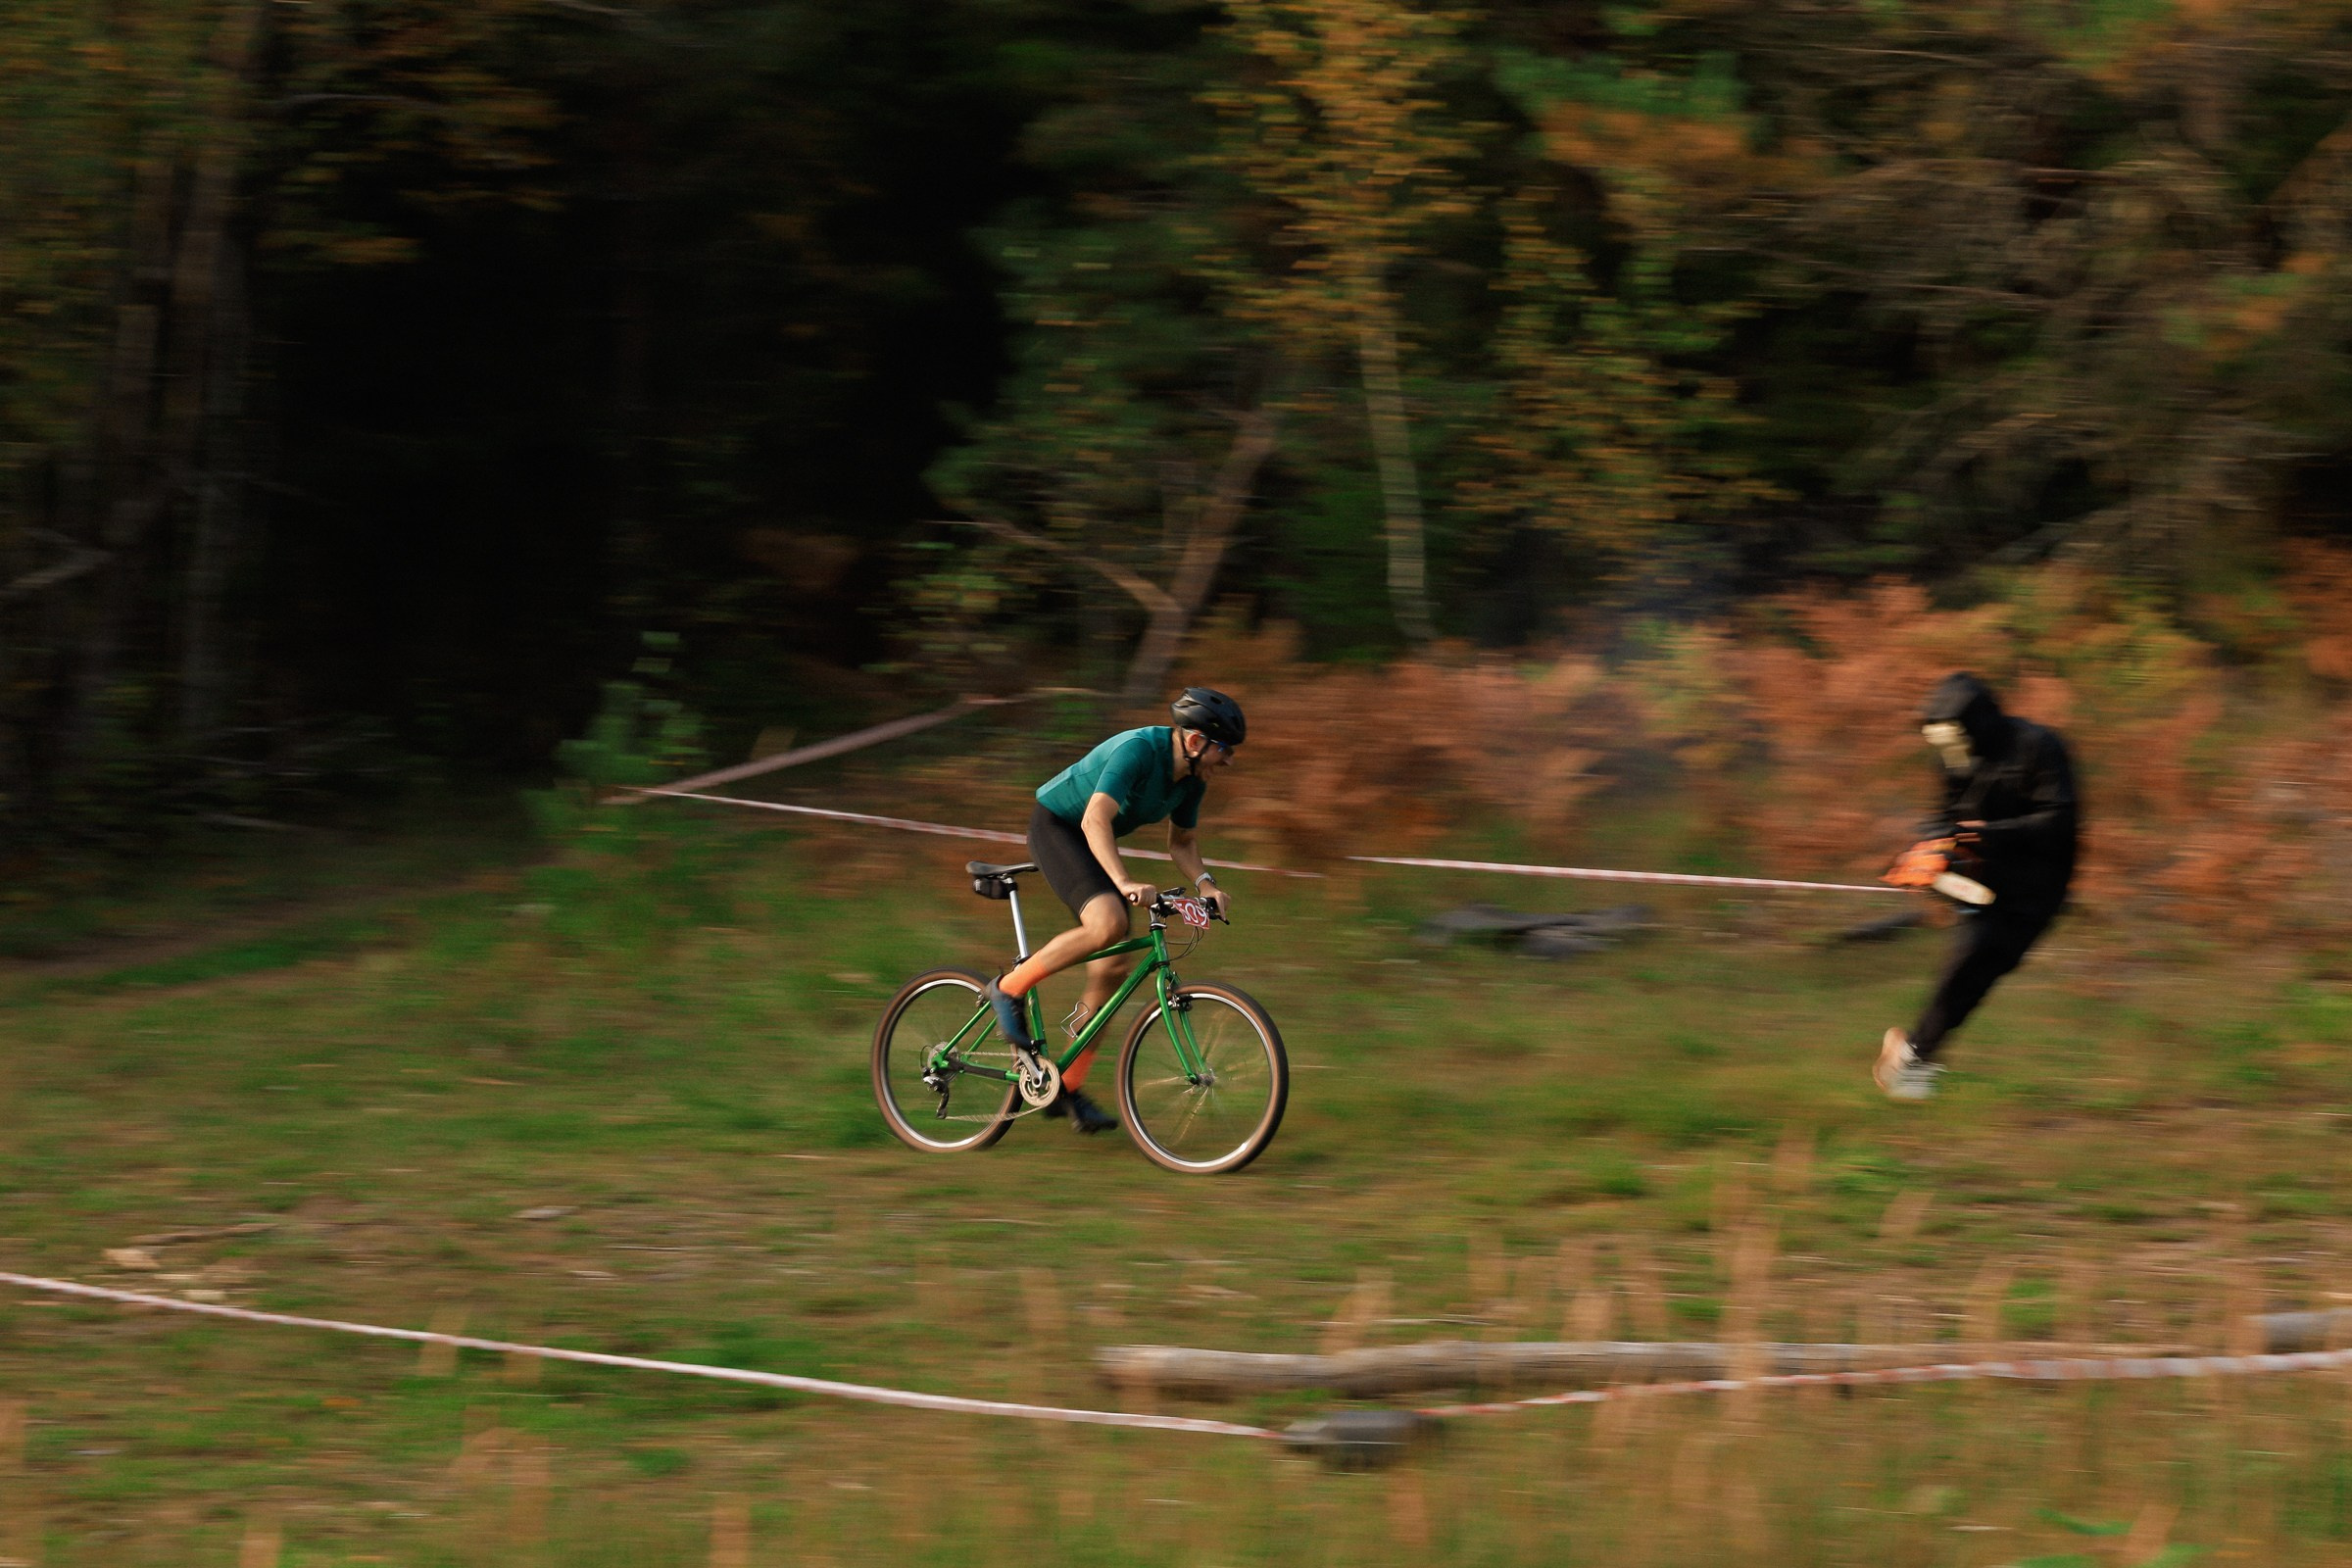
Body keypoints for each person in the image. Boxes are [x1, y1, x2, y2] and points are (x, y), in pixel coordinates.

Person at [983, 688, 1245, 1133]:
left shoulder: (1192, 781)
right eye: (1225, 749)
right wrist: (1123, 882)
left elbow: (1181, 843)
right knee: (1109, 922)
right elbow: (1093, 820)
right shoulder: (1139, 751)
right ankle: (1009, 989)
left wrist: (1207, 884)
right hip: (1060, 827)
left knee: (1112, 968)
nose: (1230, 761)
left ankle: (1064, 1087)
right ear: (1197, 742)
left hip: (1089, 838)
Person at [1875, 671, 2079, 1101]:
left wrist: (1988, 833)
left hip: (2041, 883)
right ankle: (1915, 1065)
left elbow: (2059, 820)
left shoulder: (2039, 747)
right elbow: (1946, 815)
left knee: (1985, 971)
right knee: (1968, 959)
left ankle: (1914, 1057)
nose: (1949, 753)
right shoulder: (1950, 758)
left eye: (1955, 739)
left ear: (1977, 725)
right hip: (1983, 878)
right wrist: (1929, 852)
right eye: (1941, 744)